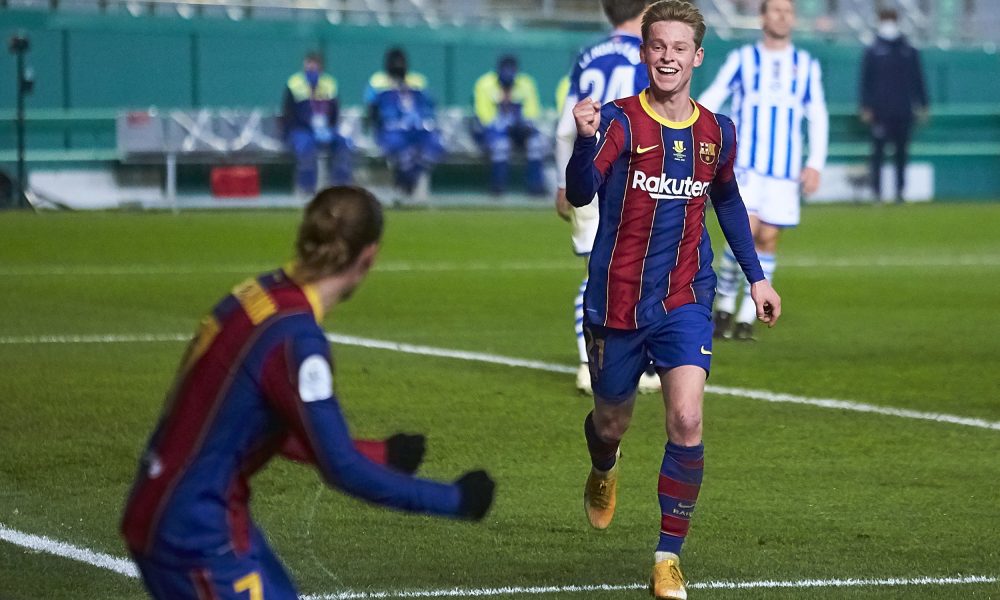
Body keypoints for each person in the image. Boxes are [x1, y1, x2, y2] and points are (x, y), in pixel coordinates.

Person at [120, 186, 496, 599]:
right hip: (195, 534)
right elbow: (342, 469)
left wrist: (381, 455)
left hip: (176, 507)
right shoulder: (297, 340)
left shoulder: (257, 293)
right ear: (369, 256)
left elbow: (254, 423)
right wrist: (457, 499)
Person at [565, 1, 781, 597]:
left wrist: (757, 278)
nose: (668, 57)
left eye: (679, 48)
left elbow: (727, 201)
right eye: (658, 46)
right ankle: (604, 465)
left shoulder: (717, 132)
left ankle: (667, 558)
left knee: (686, 419)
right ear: (645, 52)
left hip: (686, 296)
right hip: (616, 300)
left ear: (697, 57)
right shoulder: (618, 120)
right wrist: (584, 142)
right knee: (611, 421)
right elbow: (580, 191)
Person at [698, 0, 827, 340]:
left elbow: (817, 115)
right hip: (746, 166)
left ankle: (746, 316)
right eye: (776, 10)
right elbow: (714, 95)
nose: (782, 16)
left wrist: (814, 163)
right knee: (745, 231)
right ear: (763, 17)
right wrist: (693, 127)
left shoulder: (806, 65)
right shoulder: (743, 59)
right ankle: (725, 304)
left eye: (788, 11)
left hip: (784, 170)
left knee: (768, 238)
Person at [553, 0, 660, 394]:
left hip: (588, 172)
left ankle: (590, 365)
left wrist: (564, 181)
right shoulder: (649, 55)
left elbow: (565, 128)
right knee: (641, 271)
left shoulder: (588, 56)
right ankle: (637, 365)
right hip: (631, 178)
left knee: (595, 273)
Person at [860, 7, 928, 203]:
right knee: (878, 154)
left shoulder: (908, 49)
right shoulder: (873, 50)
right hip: (880, 111)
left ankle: (900, 191)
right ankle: (876, 192)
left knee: (902, 153)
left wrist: (923, 104)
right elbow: (866, 80)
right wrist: (866, 105)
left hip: (903, 109)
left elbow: (918, 78)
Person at [364, 47, 445, 204]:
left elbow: (429, 106)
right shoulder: (377, 81)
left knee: (433, 147)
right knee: (404, 155)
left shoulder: (417, 80)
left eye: (401, 61)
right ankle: (403, 189)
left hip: (416, 128)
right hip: (391, 130)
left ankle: (406, 188)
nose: (398, 65)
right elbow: (372, 109)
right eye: (395, 62)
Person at [472, 55, 546, 196]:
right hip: (495, 131)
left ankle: (536, 188)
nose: (508, 73)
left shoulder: (526, 83)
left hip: (521, 131)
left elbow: (532, 112)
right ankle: (497, 188)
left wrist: (523, 125)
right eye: (505, 70)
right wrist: (505, 125)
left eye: (511, 70)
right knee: (501, 145)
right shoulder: (485, 84)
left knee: (536, 144)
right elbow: (483, 116)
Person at [282, 51, 353, 195]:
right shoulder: (294, 83)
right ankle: (306, 188)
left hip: (326, 128)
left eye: (315, 64)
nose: (312, 67)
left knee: (343, 143)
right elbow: (288, 112)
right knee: (306, 148)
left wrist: (328, 127)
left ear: (320, 66)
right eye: (309, 64)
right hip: (301, 129)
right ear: (304, 65)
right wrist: (302, 127)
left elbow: (335, 110)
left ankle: (340, 186)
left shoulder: (329, 83)